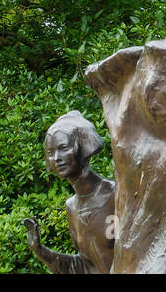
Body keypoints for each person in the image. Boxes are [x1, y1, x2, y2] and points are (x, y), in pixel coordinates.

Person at [23, 110, 115, 274]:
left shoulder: (115, 195)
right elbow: (84, 266)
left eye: (63, 148)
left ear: (83, 147)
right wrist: (40, 251)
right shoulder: (72, 207)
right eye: (51, 153)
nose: (56, 158)